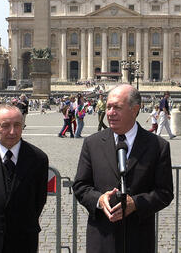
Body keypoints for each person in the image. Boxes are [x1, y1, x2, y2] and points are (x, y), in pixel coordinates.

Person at [73, 84, 174, 253]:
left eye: (117, 108)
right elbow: (80, 186)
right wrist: (99, 200)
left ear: (135, 110)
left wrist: (136, 203)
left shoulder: (157, 146)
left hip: (139, 240)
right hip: (101, 239)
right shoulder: (92, 143)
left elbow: (165, 192)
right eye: (108, 107)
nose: (110, 113)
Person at [0, 103, 48, 253]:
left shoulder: (38, 158)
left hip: (23, 240)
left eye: (17, 125)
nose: (12, 131)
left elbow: (39, 200)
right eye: (5, 125)